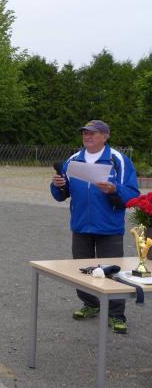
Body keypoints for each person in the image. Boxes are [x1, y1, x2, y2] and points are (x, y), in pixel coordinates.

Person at [51, 119, 139, 334]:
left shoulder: (118, 160)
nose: (87, 136)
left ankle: (116, 314)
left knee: (113, 271)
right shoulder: (73, 160)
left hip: (109, 227)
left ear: (105, 136)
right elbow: (62, 194)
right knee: (82, 271)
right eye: (85, 133)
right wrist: (57, 185)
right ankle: (90, 304)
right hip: (81, 226)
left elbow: (133, 194)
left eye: (93, 133)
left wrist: (114, 189)